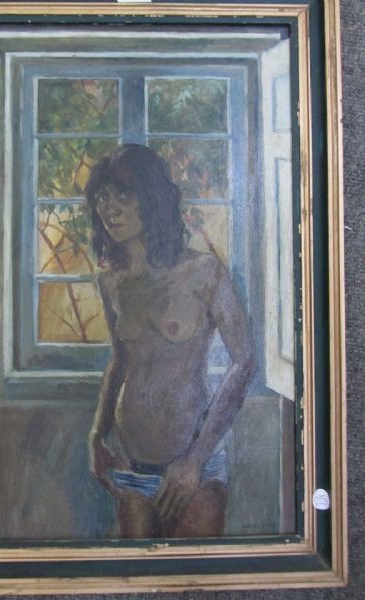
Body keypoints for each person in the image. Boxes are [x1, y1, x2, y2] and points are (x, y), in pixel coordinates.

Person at [85, 144, 255, 538]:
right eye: (103, 197)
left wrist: (194, 459)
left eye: (123, 195)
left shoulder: (203, 271)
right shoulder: (111, 282)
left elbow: (244, 361)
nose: (110, 208)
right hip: (129, 466)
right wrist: (97, 435)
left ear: (151, 198)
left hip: (193, 466)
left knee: (193, 570)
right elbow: (120, 362)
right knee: (136, 571)